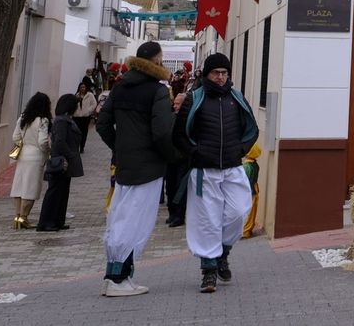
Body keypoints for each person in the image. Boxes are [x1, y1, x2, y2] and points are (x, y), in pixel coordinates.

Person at [96, 41, 178, 297]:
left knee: (120, 217)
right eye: (161, 59)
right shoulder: (157, 91)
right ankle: (118, 279)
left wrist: (119, 148)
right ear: (155, 62)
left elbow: (102, 124)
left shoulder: (119, 89)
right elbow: (163, 132)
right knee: (137, 221)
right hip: (149, 167)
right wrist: (173, 156)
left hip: (125, 165)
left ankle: (117, 275)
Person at [173, 53, 259, 293]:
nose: (221, 77)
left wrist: (240, 149)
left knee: (239, 211)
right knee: (207, 221)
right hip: (204, 172)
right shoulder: (194, 98)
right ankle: (209, 270)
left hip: (232, 167)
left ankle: (223, 251)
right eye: (216, 73)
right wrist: (195, 153)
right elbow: (178, 135)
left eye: (224, 73)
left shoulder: (236, 97)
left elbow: (252, 128)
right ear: (207, 74)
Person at [37, 94, 85, 231]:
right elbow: (59, 142)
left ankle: (58, 220)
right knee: (55, 192)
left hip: (65, 162)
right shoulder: (62, 121)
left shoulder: (66, 120)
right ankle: (47, 221)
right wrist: (70, 155)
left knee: (63, 192)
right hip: (61, 162)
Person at [9, 92, 52, 229]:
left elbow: (15, 137)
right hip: (36, 156)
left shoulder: (23, 117)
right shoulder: (43, 120)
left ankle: (17, 216)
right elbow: (43, 141)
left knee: (19, 186)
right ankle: (24, 217)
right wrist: (47, 151)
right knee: (30, 188)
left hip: (23, 155)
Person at [164, 73, 190, 228]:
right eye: (175, 103)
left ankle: (179, 215)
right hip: (171, 158)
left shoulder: (188, 119)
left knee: (181, 188)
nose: (175, 106)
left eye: (178, 104)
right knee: (170, 187)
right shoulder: (171, 117)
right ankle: (171, 213)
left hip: (183, 159)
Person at [73, 80, 98, 153]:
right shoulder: (76, 95)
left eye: (84, 87)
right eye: (81, 87)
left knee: (84, 132)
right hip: (76, 116)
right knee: (76, 132)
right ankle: (76, 146)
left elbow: (94, 104)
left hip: (85, 117)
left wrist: (88, 110)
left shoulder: (89, 95)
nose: (83, 89)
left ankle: (82, 147)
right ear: (79, 88)